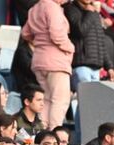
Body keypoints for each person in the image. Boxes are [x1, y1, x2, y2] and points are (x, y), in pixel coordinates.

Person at [21, 0, 74, 129]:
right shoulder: (52, 7)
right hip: (56, 61)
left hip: (39, 59)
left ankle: (42, 132)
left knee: (46, 100)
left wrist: (40, 41)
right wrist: (70, 47)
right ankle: (54, 134)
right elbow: (56, 34)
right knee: (59, 100)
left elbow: (25, 33)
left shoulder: (35, 8)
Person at [64, 0, 114, 90]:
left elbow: (100, 41)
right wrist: (89, 12)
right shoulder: (71, 9)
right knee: (82, 100)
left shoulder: (93, 12)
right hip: (81, 66)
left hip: (96, 68)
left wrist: (109, 66)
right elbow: (80, 30)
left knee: (91, 102)